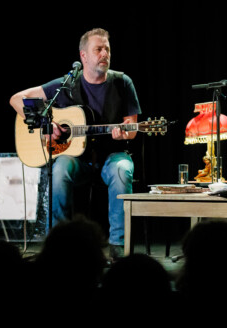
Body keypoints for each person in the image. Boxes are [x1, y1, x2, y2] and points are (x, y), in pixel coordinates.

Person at [9, 28, 142, 261]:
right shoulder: (65, 84)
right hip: (77, 160)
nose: (104, 54)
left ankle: (118, 246)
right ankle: (60, 244)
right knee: (59, 170)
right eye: (98, 49)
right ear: (83, 56)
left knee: (122, 170)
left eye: (107, 49)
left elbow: (132, 127)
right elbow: (16, 99)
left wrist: (124, 134)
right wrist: (46, 126)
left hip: (112, 156)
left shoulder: (122, 82)